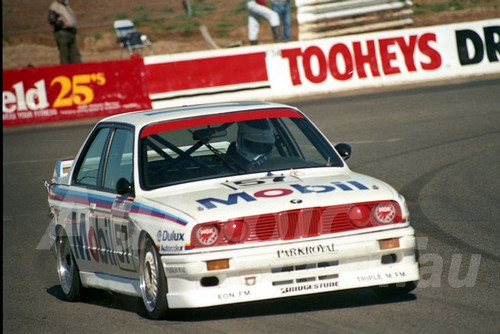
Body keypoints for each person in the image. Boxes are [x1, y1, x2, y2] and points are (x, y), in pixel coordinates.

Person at [48, 0, 81, 64]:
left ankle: (78, 70)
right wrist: (62, 24)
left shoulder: (65, 5)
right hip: (62, 33)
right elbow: (51, 20)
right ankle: (65, 71)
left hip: (71, 32)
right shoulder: (55, 6)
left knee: (75, 54)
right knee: (64, 54)